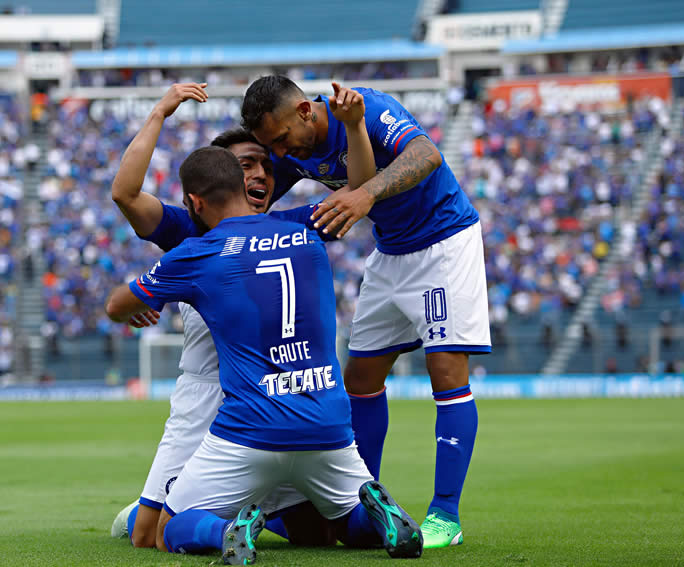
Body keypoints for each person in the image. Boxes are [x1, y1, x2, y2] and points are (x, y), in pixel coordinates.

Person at [104, 145, 423, 564]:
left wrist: (144, 300)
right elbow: (357, 190)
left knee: (167, 530)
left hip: (250, 427)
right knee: (341, 528)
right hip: (326, 424)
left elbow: (115, 306)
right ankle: (379, 519)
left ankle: (227, 531)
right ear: (244, 187)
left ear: (195, 203)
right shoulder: (306, 229)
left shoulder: (197, 253)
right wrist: (353, 126)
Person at [241, 75, 491, 549]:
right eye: (270, 145)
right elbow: (253, 204)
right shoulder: (289, 150)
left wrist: (366, 194)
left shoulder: (368, 109)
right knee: (360, 380)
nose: (279, 151)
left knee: (445, 370)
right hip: (390, 250)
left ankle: (446, 515)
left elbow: (427, 155)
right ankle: (360, 507)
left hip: (443, 241)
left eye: (280, 139)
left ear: (304, 111)